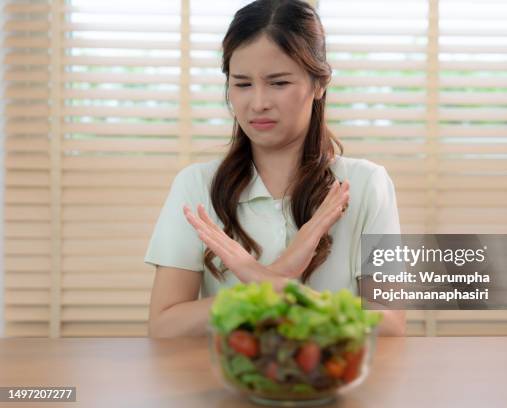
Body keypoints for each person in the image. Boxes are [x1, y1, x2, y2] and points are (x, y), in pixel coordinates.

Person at [144, 0, 406, 337]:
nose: (258, 102)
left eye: (278, 83)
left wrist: (260, 279)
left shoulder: (367, 184)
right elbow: (164, 326)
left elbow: (390, 325)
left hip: (334, 381)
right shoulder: (196, 186)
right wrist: (272, 281)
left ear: (319, 83)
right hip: (232, 383)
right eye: (242, 84)